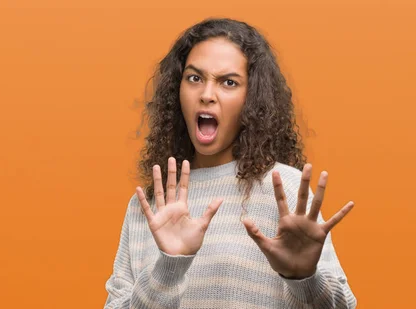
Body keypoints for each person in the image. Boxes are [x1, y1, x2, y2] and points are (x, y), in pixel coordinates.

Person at [104, 18, 356, 308]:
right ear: (178, 89)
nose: (207, 95)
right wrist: (168, 269)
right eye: (195, 78)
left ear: (252, 98)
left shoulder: (283, 191)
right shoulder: (149, 205)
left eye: (229, 82)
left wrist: (303, 277)